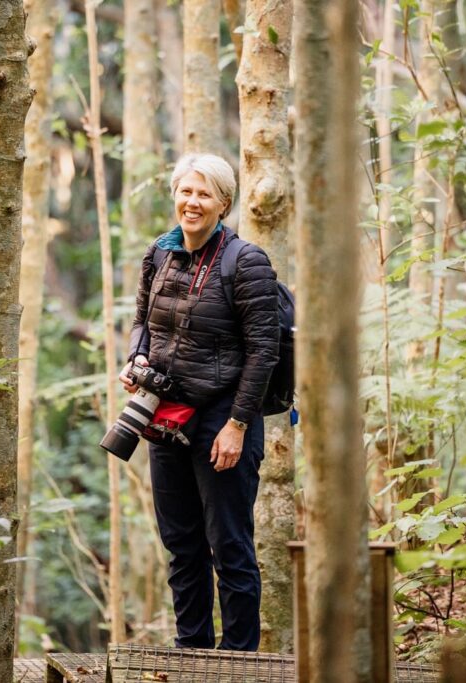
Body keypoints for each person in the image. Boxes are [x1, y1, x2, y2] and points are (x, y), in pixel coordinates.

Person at [120, 153, 280, 651]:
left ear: (223, 204)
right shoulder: (159, 254)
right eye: (186, 192)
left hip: (221, 418)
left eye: (204, 194)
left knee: (229, 547)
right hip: (165, 414)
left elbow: (264, 350)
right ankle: (191, 652)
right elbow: (142, 320)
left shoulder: (246, 261)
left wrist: (236, 424)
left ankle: (240, 663)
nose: (193, 202)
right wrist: (135, 359)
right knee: (181, 546)